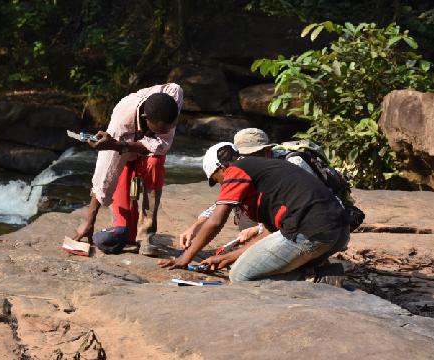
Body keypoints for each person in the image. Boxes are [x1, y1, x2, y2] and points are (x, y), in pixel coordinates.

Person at [159, 143, 350, 282]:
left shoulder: (236, 171)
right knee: (245, 265)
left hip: (310, 231)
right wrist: (226, 257)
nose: (220, 185)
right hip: (339, 232)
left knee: (241, 276)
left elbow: (216, 221)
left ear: (221, 168)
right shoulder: (265, 170)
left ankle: (313, 279)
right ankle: (321, 274)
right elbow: (269, 234)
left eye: (216, 180)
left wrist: (187, 256)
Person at [72, 83, 183, 257]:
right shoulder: (120, 124)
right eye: (161, 130)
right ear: (146, 118)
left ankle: (147, 234)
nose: (168, 133)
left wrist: (123, 145)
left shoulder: (173, 96)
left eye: (170, 127)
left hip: (148, 154)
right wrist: (89, 221)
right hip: (124, 153)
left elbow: (161, 146)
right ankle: (132, 230)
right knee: (125, 234)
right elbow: (104, 175)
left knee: (154, 164)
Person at [179, 128, 317, 251]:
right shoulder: (246, 169)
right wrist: (197, 226)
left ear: (267, 151)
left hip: (310, 224)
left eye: (251, 155)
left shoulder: (293, 164)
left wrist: (258, 229)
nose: (244, 161)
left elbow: (304, 207)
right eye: (242, 156)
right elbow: (224, 202)